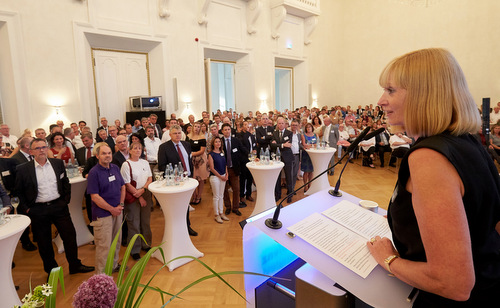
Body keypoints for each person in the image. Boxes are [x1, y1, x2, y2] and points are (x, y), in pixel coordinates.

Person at [368, 48, 500, 307]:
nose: (381, 100)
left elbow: (454, 284)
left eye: (390, 90)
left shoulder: (428, 157)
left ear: (423, 95)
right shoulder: (469, 142)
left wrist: (389, 259)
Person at [15, 138, 94, 275]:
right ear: (31, 151)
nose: (41, 150)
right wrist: (28, 209)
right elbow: (18, 192)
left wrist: (65, 200)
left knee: (70, 236)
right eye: (38, 148)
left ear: (47, 149)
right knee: (44, 243)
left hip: (59, 206)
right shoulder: (23, 169)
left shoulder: (57, 164)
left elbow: (65, 183)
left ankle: (75, 265)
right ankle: (52, 272)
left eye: (44, 147)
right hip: (38, 210)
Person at [86, 142, 125, 273]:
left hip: (118, 211)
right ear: (97, 156)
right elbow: (95, 197)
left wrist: (121, 205)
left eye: (109, 153)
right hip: (103, 215)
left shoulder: (115, 168)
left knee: (116, 242)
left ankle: (113, 266)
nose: (107, 156)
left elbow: (123, 186)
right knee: (104, 246)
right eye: (104, 153)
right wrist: (112, 209)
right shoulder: (94, 173)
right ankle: (101, 277)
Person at [157, 124, 198, 236]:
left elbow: (189, 161)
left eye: (179, 133)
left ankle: (187, 226)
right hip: (175, 182)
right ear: (170, 135)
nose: (177, 135)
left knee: (186, 204)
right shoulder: (164, 147)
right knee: (176, 206)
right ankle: (176, 229)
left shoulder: (186, 144)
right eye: (175, 133)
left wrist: (191, 175)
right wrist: (174, 175)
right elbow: (161, 165)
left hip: (187, 179)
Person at [120, 142, 153, 261]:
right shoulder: (126, 164)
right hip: (133, 195)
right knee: (134, 223)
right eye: (135, 148)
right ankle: (134, 250)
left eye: (140, 148)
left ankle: (146, 244)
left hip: (145, 193)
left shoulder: (145, 162)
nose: (138, 150)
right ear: (130, 150)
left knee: (145, 221)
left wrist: (143, 190)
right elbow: (127, 183)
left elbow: (150, 178)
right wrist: (139, 195)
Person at [221, 123, 248, 216]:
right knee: (224, 190)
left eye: (228, 129)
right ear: (222, 131)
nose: (227, 131)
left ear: (230, 130)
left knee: (236, 189)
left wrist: (251, 155)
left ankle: (235, 208)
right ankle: (228, 207)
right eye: (225, 129)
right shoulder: (219, 141)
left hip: (234, 169)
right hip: (223, 170)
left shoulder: (236, 140)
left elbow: (243, 150)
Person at [207, 136, 229, 223]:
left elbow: (225, 164)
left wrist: (226, 174)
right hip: (215, 177)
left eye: (219, 142)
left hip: (223, 176)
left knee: (221, 196)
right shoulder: (211, 154)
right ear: (213, 143)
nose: (218, 143)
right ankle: (216, 215)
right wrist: (221, 176)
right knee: (216, 197)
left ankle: (221, 212)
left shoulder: (222, 152)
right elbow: (212, 168)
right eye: (216, 142)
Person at [186, 122, 208, 205]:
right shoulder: (188, 137)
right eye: (195, 126)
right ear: (192, 127)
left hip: (200, 159)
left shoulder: (202, 138)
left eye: (198, 127)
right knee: (193, 177)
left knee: (200, 178)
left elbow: (202, 151)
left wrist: (191, 154)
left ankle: (199, 196)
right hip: (191, 159)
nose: (196, 128)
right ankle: (194, 196)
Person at [300, 123, 317, 192]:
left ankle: (310, 184)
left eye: (310, 127)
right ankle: (305, 185)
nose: (309, 128)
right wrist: (312, 145)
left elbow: (317, 143)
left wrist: (310, 145)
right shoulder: (303, 135)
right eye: (307, 127)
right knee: (306, 171)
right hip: (306, 155)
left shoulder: (316, 135)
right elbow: (304, 144)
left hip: (314, 155)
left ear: (312, 128)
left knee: (311, 171)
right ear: (306, 129)